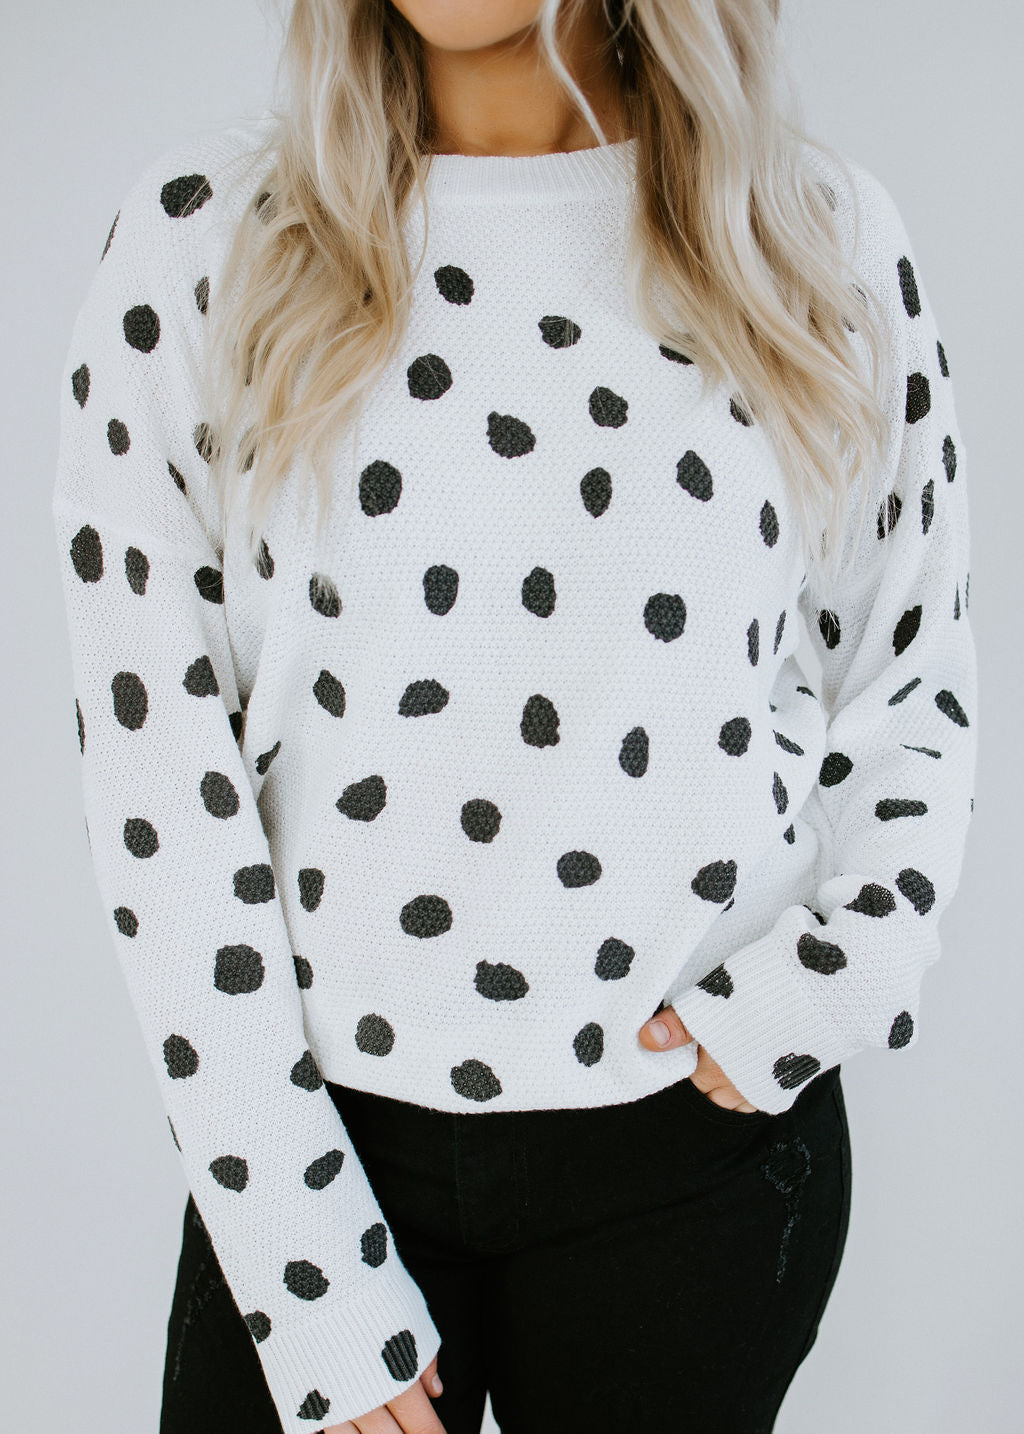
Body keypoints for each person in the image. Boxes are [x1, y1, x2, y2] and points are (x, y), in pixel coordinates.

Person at [50, 1, 978, 1431]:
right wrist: (301, 1261)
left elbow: (911, 669)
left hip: (693, 1161)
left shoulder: (817, 240)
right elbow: (163, 790)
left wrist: (835, 978)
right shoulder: (202, 250)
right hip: (322, 1142)